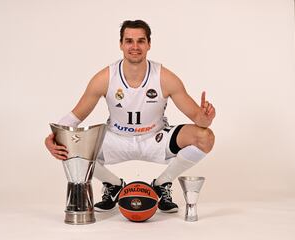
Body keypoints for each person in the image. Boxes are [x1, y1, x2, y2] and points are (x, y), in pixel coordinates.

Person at [45, 20, 215, 213]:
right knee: (67, 145)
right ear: (121, 44)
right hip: (116, 140)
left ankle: (162, 183)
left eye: (141, 41)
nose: (135, 47)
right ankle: (113, 185)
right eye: (129, 41)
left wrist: (206, 117)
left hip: (155, 139)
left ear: (149, 44)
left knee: (205, 137)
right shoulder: (105, 78)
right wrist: (53, 137)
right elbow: (74, 117)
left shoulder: (165, 77)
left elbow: (198, 119)